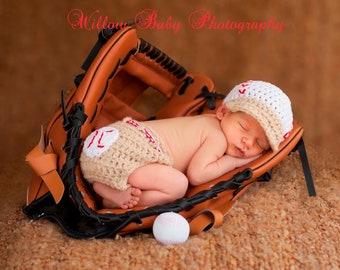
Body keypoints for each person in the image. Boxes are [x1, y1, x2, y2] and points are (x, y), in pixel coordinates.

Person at [80, 80, 293, 209]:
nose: (247, 142)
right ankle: (114, 198)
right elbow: (197, 175)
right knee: (178, 185)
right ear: (223, 112)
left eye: (259, 144)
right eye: (244, 127)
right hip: (127, 153)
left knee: (170, 179)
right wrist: (233, 162)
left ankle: (103, 185)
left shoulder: (208, 122)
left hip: (109, 143)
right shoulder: (217, 136)